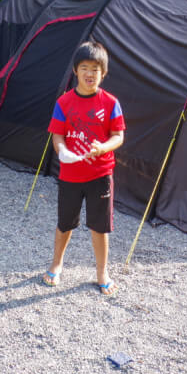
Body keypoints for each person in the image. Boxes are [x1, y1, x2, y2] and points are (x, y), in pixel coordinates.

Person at [42, 41, 126, 296]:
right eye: (85, 68)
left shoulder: (110, 102)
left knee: (100, 227)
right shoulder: (64, 102)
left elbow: (118, 136)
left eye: (95, 69)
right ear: (75, 71)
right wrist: (62, 151)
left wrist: (103, 147)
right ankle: (56, 264)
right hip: (70, 175)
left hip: (100, 174)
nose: (90, 73)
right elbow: (57, 135)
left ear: (104, 73)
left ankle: (102, 272)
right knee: (65, 223)